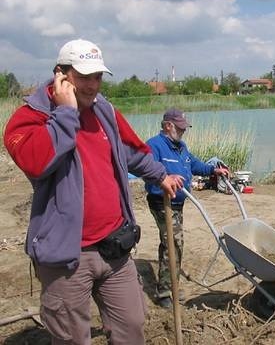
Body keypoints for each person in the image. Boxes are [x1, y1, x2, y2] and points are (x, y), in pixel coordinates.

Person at [3, 39, 184, 345]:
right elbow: (38, 162)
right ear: (61, 74)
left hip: (114, 247)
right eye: (84, 77)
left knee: (132, 325)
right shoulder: (31, 118)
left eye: (97, 77)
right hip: (67, 257)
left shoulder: (104, 112)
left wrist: (161, 174)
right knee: (72, 338)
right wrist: (67, 113)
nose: (92, 86)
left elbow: (129, 152)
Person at [145, 108, 230, 308]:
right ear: (167, 126)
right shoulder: (154, 146)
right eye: (180, 128)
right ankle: (165, 292)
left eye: (184, 128)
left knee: (173, 243)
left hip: (178, 203)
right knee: (173, 244)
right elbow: (148, 171)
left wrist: (213, 169)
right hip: (162, 202)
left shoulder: (181, 146)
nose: (183, 132)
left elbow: (194, 164)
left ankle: (171, 286)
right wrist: (164, 179)